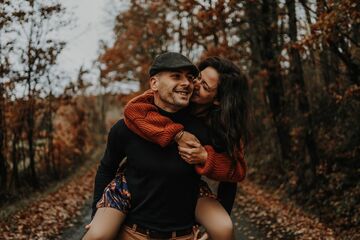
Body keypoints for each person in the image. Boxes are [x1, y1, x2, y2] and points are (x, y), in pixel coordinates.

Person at [84, 54, 249, 240]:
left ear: (218, 100)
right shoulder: (136, 119)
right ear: (154, 83)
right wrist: (178, 134)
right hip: (127, 187)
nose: (191, 84)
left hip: (187, 190)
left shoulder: (214, 129)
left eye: (201, 84)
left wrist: (205, 157)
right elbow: (132, 111)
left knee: (224, 228)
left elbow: (232, 174)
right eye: (197, 79)